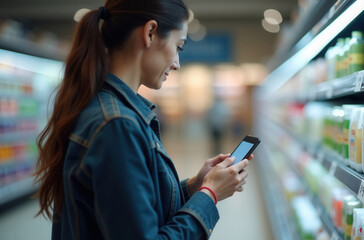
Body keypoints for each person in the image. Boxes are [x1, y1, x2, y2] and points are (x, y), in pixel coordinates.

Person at [34, 0, 252, 239]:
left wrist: (196, 186)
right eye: (178, 47)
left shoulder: (108, 110)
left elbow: (136, 210)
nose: (177, 64)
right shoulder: (117, 125)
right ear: (150, 33)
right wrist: (210, 195)